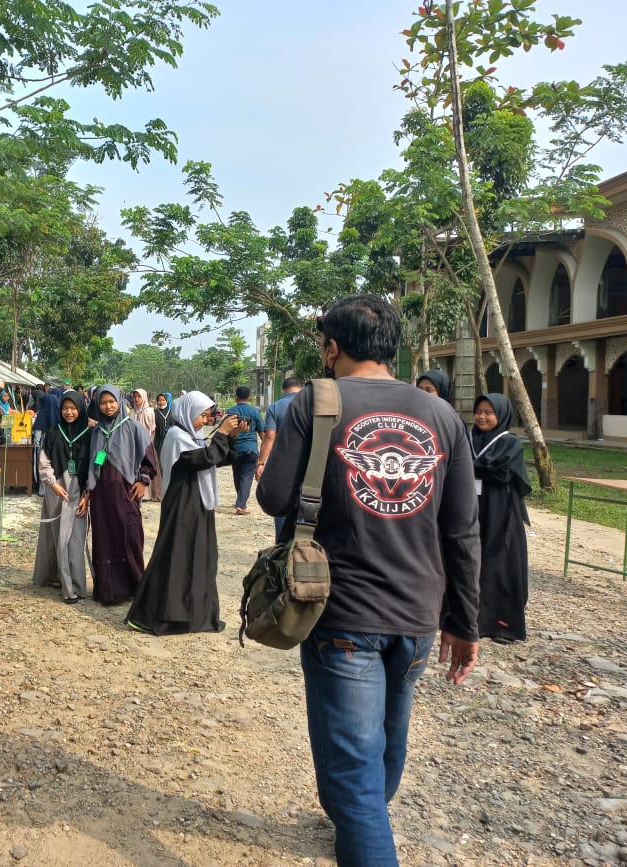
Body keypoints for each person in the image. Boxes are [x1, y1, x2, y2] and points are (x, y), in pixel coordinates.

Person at [256, 294, 480, 866]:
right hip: (419, 617)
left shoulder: (317, 401)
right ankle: (358, 829)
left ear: (332, 348)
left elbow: (273, 497)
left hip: (342, 614)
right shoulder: (443, 416)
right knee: (381, 748)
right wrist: (465, 623)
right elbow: (461, 531)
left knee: (352, 761)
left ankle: (363, 837)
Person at [125, 392, 243, 634]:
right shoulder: (177, 436)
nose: (203, 420)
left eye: (206, 415)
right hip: (182, 505)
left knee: (200, 556)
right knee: (177, 557)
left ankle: (195, 614)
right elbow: (204, 458)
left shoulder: (192, 435)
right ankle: (163, 614)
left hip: (197, 503)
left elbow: (217, 458)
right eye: (201, 415)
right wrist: (220, 434)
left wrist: (231, 437)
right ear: (188, 413)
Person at [87, 385, 158, 605]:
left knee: (130, 537)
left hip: (125, 493)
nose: (107, 407)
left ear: (120, 401)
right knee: (105, 539)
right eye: (102, 403)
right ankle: (109, 591)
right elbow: (96, 460)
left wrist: (142, 481)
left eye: (111, 402)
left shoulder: (133, 428)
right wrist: (90, 487)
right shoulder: (97, 432)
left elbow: (149, 459)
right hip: (101, 496)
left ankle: (136, 586)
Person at [471, 393, 531, 643]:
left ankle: (501, 624)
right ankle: (468, 619)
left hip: (501, 510)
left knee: (500, 562)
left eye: (488, 412)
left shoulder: (510, 442)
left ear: (501, 414)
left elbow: (498, 471)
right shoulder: (469, 438)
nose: (482, 416)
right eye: (479, 411)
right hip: (472, 506)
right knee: (470, 559)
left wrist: (471, 466)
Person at [33, 390, 92, 603]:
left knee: (73, 539)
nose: (69, 412)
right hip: (57, 490)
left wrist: (89, 492)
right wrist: (52, 483)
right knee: (55, 535)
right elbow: (44, 460)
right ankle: (58, 578)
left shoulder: (89, 433)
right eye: (65, 408)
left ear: (80, 408)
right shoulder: (53, 432)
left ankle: (74, 585)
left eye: (73, 408)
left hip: (79, 492)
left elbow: (98, 461)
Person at [258, 376, 304, 539]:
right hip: (309, 467)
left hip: (281, 466)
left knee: (282, 506)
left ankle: (282, 550)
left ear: (283, 390)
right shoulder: (313, 404)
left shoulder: (275, 407)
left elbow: (269, 436)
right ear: (301, 387)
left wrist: (261, 462)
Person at [224, 385, 265, 515]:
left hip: (235, 449)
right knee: (246, 477)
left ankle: (240, 500)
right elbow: (262, 433)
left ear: (236, 397)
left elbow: (226, 431)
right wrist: (266, 450)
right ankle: (241, 505)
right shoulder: (255, 412)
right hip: (250, 449)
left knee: (237, 475)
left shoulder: (230, 411)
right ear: (250, 397)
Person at [32, 387, 63, 494]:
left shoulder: (42, 415)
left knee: (44, 465)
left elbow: (37, 436)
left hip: (43, 445)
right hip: (56, 444)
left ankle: (42, 489)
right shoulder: (59, 412)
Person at [129, 389, 159, 500]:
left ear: (144, 397)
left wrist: (148, 443)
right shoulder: (131, 412)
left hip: (146, 445)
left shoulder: (149, 411)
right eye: (135, 397)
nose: (136, 399)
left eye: (139, 397)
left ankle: (147, 493)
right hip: (133, 445)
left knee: (147, 465)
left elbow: (152, 429)